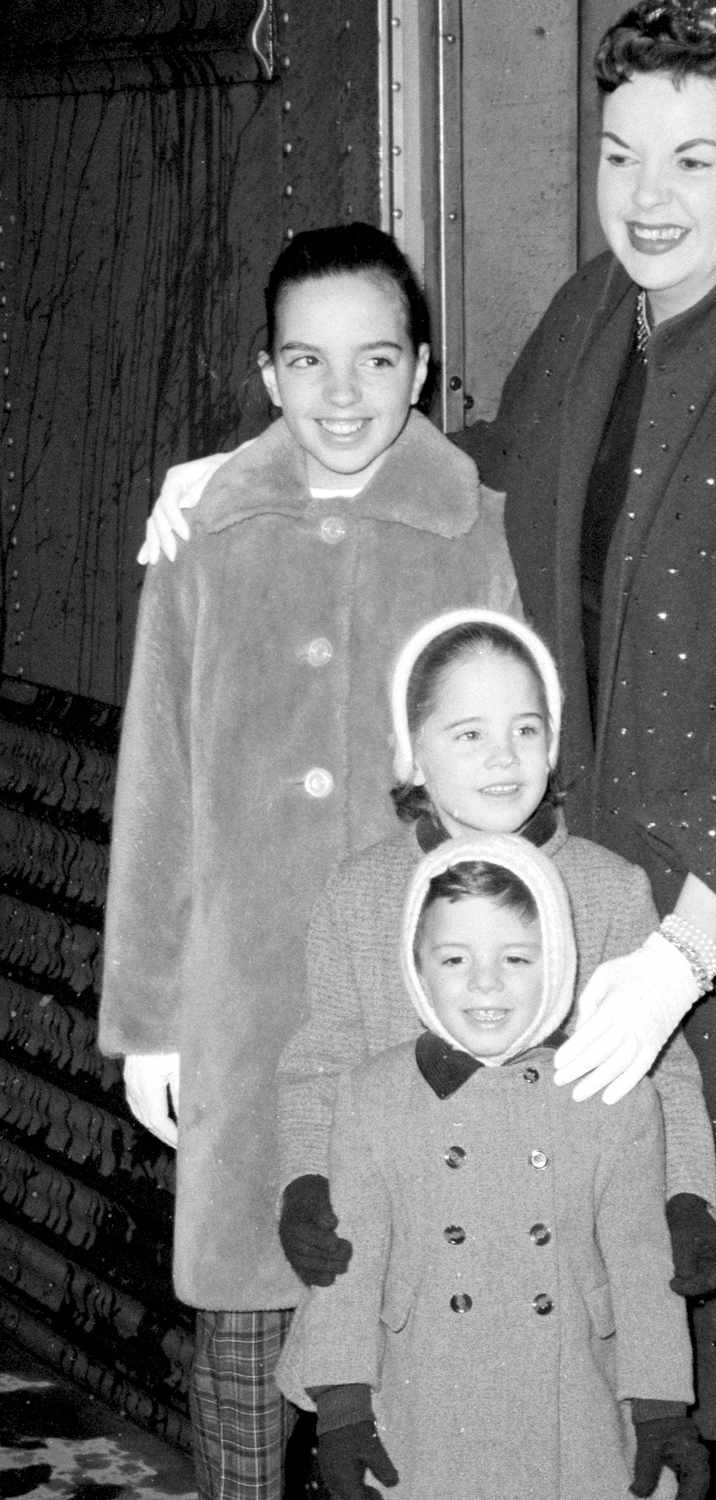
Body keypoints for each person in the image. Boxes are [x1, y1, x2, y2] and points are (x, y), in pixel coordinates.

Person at [137, 4, 716, 1491]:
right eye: (619, 154)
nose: (648, 195)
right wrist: (269, 463)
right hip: (555, 880)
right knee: (551, 1334)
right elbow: (482, 465)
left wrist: (679, 953)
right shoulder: (604, 306)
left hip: (703, 921)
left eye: (694, 159)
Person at [98, 222, 523, 1500]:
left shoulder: (472, 536)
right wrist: (154, 1020)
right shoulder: (205, 543)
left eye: (376, 360)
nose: (344, 396)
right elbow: (158, 786)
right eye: (308, 362)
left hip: (417, 996)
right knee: (243, 1323)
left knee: (413, 1321)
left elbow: (509, 775)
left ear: (425, 367)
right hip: (244, 1011)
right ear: (267, 374)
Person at [276, 609, 716, 1301]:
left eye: (526, 729)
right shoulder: (358, 893)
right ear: (413, 755)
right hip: (410, 1265)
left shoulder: (609, 891)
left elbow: (661, 1073)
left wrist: (685, 1202)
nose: (504, 756)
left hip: (560, 1266)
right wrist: (306, 1181)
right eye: (469, 734)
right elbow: (322, 1062)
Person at [275, 834, 712, 1500]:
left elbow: (642, 1263)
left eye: (516, 958)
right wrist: (341, 1410)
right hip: (422, 1398)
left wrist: (660, 1410)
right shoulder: (372, 1096)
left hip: (573, 1398)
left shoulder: (613, 1093)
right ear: (417, 969)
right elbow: (348, 1269)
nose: (486, 984)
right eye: (454, 958)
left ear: (559, 967)